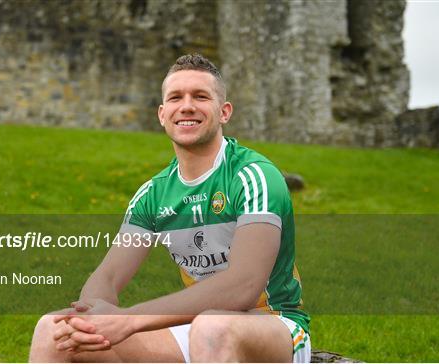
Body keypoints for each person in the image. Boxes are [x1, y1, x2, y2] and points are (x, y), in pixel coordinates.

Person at [29, 54, 310, 363]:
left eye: (201, 97)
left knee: (212, 327)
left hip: (271, 326)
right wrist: (91, 318)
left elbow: (243, 285)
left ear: (224, 112)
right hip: (193, 327)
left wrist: (131, 318)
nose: (187, 106)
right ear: (163, 114)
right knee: (54, 330)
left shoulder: (253, 175)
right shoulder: (153, 194)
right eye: (176, 98)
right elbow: (107, 277)